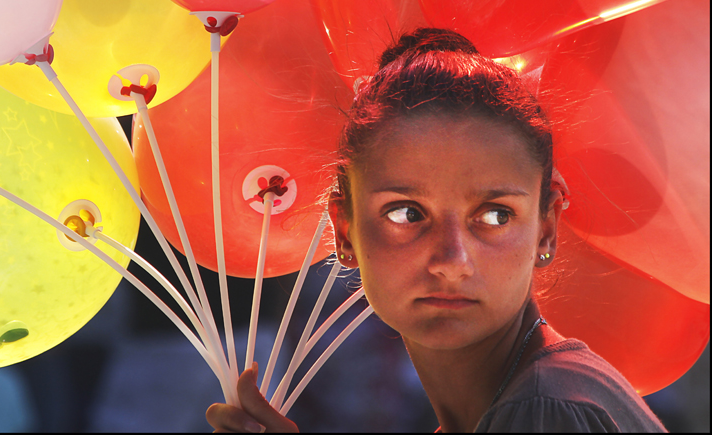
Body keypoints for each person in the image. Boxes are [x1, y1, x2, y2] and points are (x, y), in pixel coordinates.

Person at [207, 28, 667, 433]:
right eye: (406, 214)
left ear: (546, 229)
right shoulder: (524, 400)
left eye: (495, 215)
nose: (451, 261)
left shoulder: (543, 410)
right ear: (345, 232)